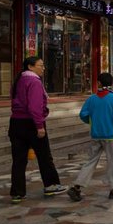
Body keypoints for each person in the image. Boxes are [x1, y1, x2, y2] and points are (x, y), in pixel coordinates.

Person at [9, 57, 67, 204]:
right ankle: (51, 185)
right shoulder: (34, 81)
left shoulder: (19, 80)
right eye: (40, 65)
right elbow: (35, 106)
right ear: (30, 66)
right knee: (44, 156)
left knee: (18, 160)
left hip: (16, 123)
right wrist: (39, 126)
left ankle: (17, 193)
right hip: (31, 123)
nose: (43, 68)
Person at [67, 73, 113, 201]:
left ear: (98, 83)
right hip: (111, 135)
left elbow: (83, 114)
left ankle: (77, 187)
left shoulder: (92, 99)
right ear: (112, 84)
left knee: (91, 161)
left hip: (96, 134)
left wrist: (93, 122)